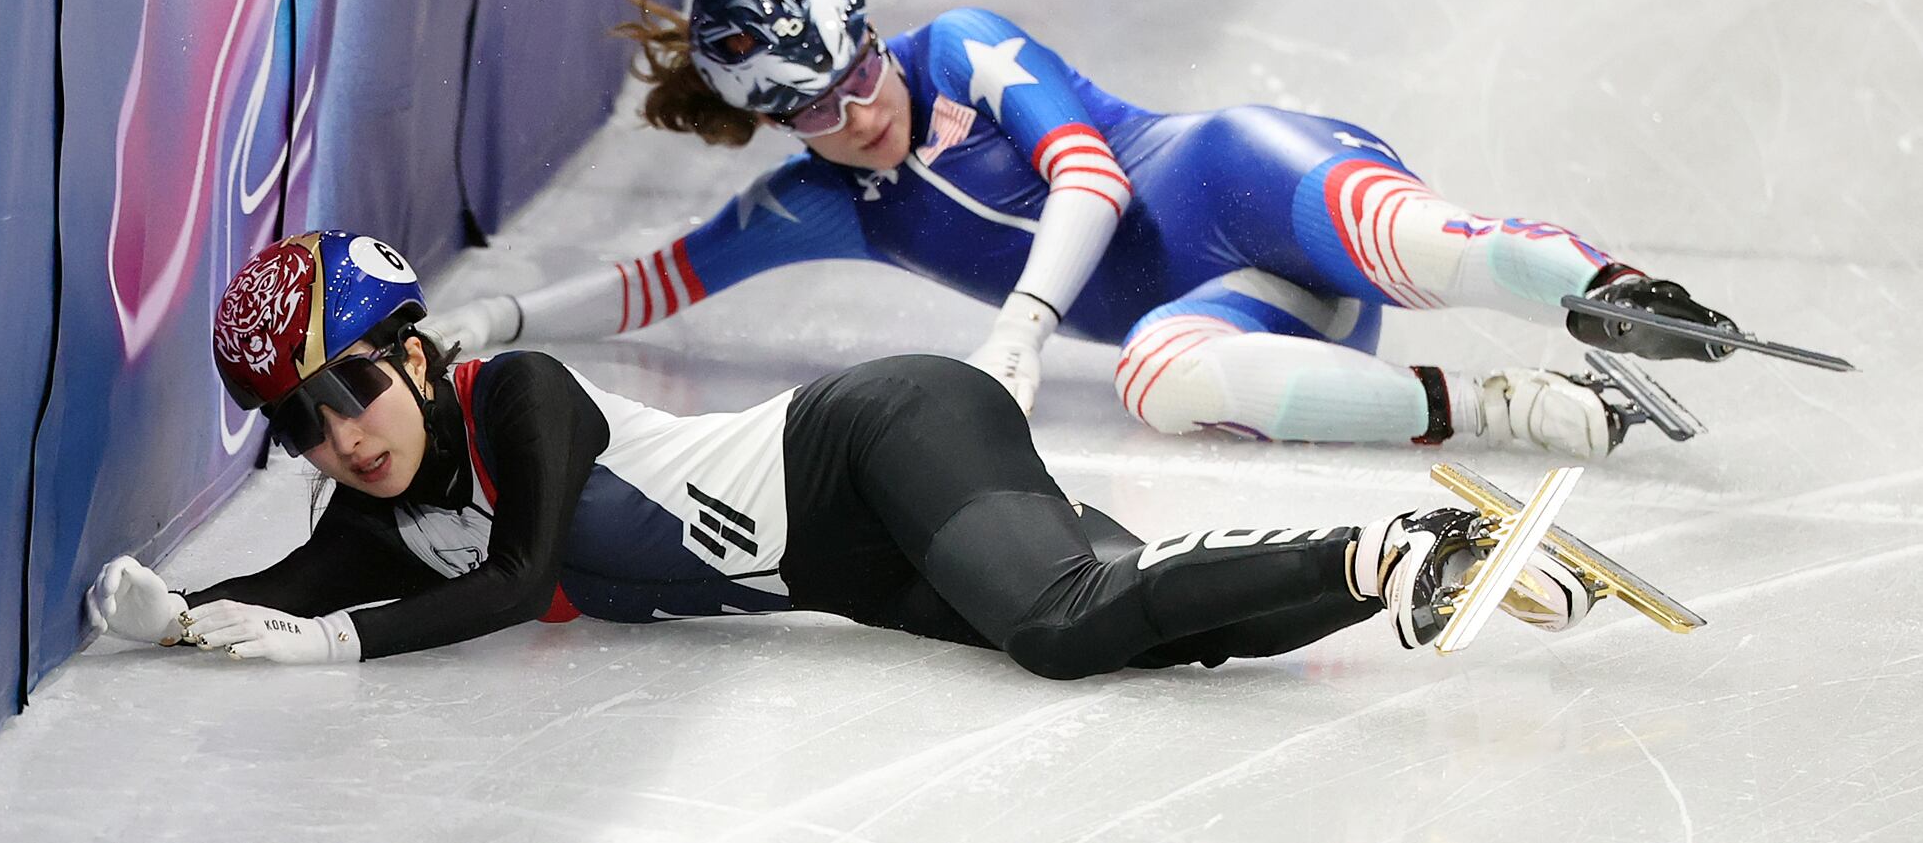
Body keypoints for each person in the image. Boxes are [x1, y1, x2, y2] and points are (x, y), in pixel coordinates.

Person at [427, 0, 1738, 460]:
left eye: (862, 64)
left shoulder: (965, 49)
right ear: (774, 123)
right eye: (818, 107)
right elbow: (658, 281)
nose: (863, 108)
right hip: (1248, 307)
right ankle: (1507, 408)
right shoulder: (833, 202)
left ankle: (1610, 293)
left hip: (1249, 173)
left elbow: (1092, 174)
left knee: (1421, 242)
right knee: (1160, 381)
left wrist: (1022, 327)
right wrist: (495, 318)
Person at [84, 231, 1596, 672]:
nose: (345, 436)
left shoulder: (512, 399)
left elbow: (525, 568)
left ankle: (1395, 545)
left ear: (415, 351)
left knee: (1064, 626)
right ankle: (1411, 560)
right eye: (306, 424)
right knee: (1135, 624)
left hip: (875, 439)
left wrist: (338, 647)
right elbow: (286, 585)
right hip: (867, 566)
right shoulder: (383, 520)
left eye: (353, 387)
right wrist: (177, 618)